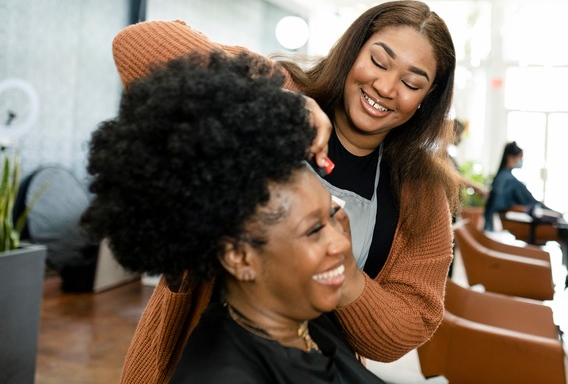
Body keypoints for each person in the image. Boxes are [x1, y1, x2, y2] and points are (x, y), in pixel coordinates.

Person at [110, 0, 461, 383]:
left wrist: (344, 275)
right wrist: (272, 105)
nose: (385, 87)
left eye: (412, 83)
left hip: (318, 363)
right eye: (378, 61)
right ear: (353, 51)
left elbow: (409, 325)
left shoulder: (421, 190)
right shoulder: (278, 88)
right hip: (207, 350)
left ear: (428, 99)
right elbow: (135, 45)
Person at [81, 52, 385, 383]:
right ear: (239, 257)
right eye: (314, 230)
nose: (341, 244)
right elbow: (134, 44)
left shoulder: (301, 319)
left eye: (332, 216)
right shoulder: (223, 374)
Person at [483, 141, 568, 289]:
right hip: (527, 223)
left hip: (530, 216)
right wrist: (539, 212)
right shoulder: (507, 179)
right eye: (520, 157)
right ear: (511, 157)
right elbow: (508, 206)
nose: (521, 161)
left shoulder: (505, 177)